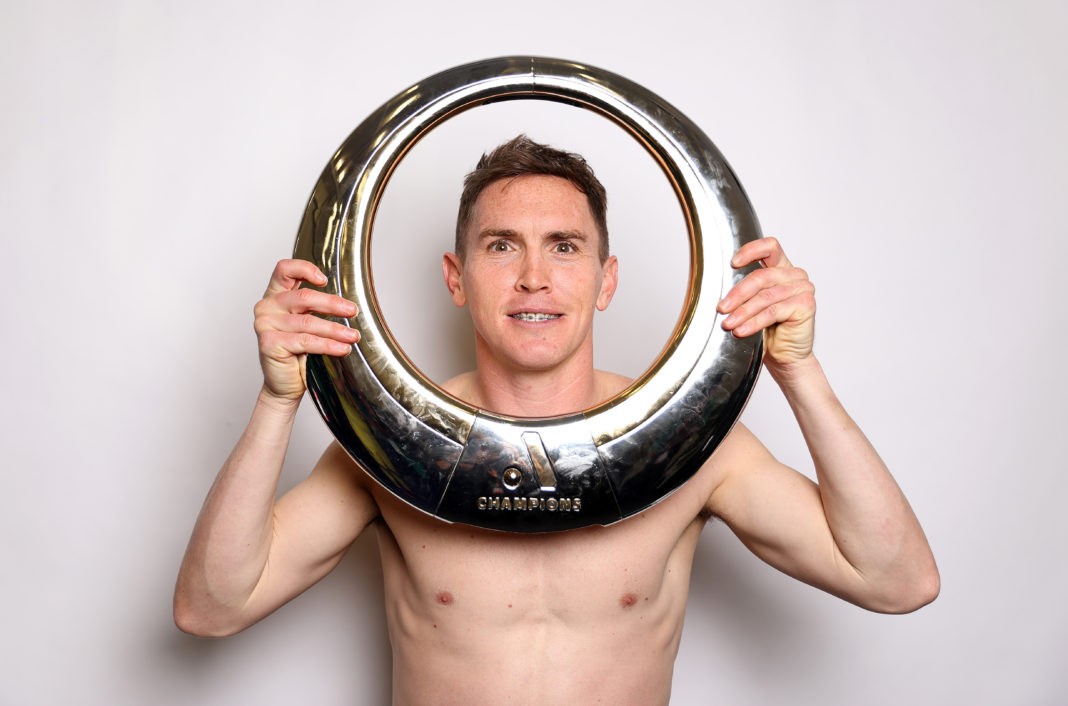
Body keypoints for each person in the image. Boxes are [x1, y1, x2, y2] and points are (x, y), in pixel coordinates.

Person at [174, 135, 938, 705]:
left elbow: (896, 580)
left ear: (605, 281)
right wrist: (280, 399)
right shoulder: (397, 447)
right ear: (457, 277)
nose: (534, 276)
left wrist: (798, 371)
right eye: (502, 245)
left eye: (564, 247)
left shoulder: (684, 444)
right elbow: (212, 608)